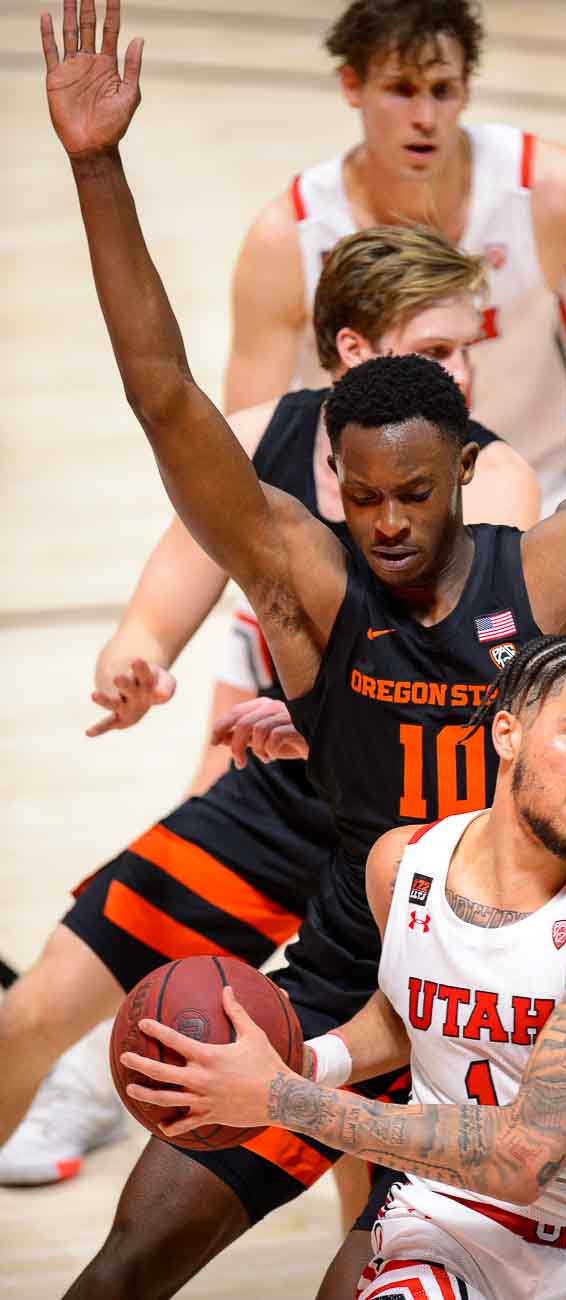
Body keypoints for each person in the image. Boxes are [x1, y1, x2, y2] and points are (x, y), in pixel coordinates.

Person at [38, 3, 566, 1294]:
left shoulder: (549, 567)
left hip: (495, 999)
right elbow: (161, 394)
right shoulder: (309, 588)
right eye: (361, 501)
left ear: (460, 467)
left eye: (412, 497)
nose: (388, 526)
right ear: (338, 484)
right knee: (131, 1258)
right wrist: (96, 167)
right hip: (350, 967)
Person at [0, 221, 537, 1209]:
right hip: (283, 799)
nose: (464, 370)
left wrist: (335, 712)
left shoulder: (490, 474)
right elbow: (175, 572)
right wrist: (137, 653)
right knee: (32, 1008)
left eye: (466, 349)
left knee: (363, 1139)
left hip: (409, 832)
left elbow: (468, 666)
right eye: (436, 349)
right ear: (353, 353)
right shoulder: (260, 438)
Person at [225, 0, 566, 887]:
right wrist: (271, 576)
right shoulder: (290, 232)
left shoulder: (553, 187)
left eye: (444, 89)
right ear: (352, 87)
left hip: (535, 503)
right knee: (233, 766)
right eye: (400, 89)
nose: (425, 115)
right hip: (362, 527)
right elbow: (250, 438)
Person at [123, 634, 566, 1300]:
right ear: (507, 734)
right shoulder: (403, 863)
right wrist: (304, 1064)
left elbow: (524, 1157)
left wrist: (283, 1097)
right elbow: (412, 1009)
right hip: (448, 1223)